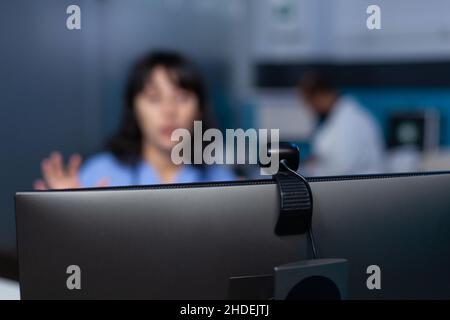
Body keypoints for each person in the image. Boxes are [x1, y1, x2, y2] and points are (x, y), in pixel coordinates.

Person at [34, 52, 236, 190]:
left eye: (181, 97)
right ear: (134, 108)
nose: (169, 111)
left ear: (199, 110)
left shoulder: (223, 181)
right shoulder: (97, 175)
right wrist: (66, 217)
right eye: (154, 98)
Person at [299, 71, 384, 176]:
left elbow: (342, 167)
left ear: (322, 95)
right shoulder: (336, 118)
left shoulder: (351, 121)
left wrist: (312, 167)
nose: (310, 108)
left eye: (309, 101)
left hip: (359, 187)